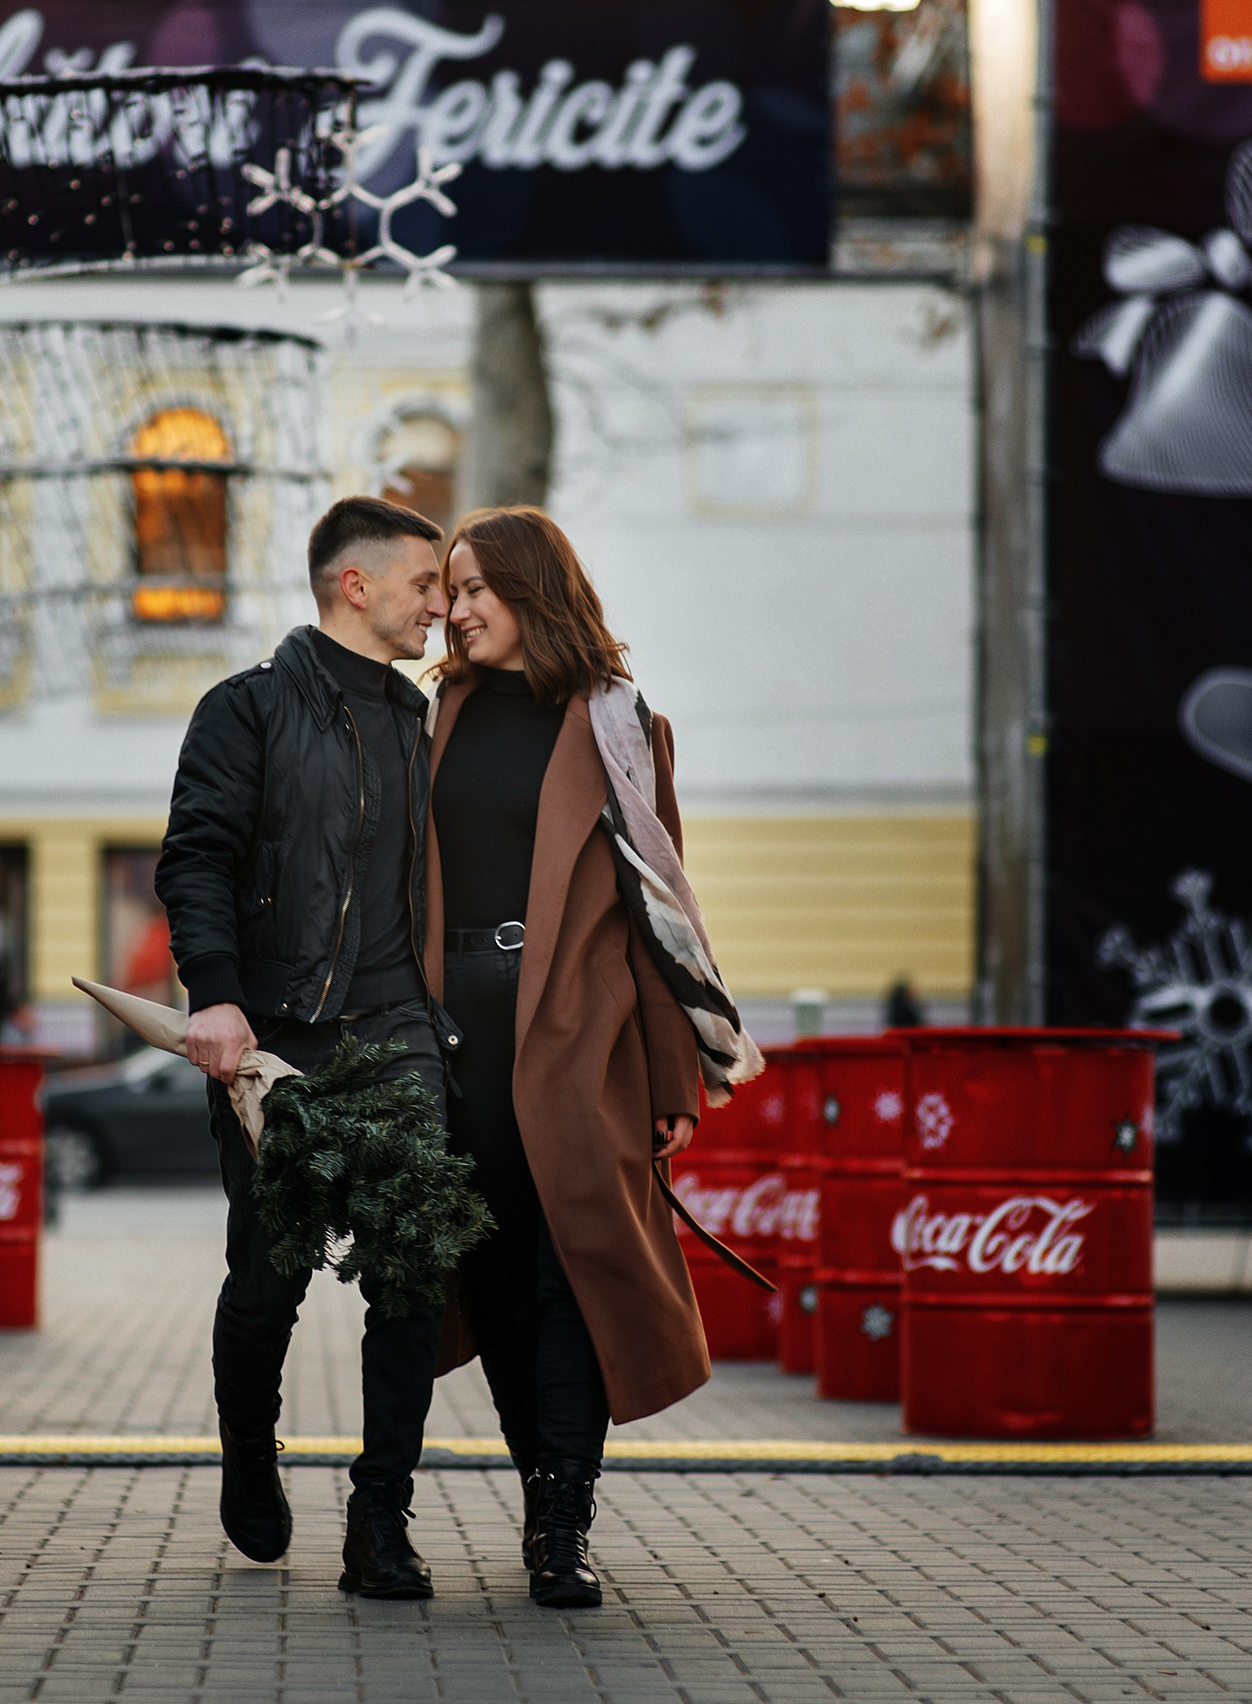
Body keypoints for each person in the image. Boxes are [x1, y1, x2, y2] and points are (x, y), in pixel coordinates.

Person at [426, 506, 761, 1608]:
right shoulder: (435, 714)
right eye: (451, 589)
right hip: (456, 1032)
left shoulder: (622, 725)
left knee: (572, 1271)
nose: (457, 610)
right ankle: (539, 1483)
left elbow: (657, 910)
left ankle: (560, 1519)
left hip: (580, 1029)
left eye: (475, 588)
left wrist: (672, 1080)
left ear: (534, 590)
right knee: (495, 1279)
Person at [155, 494, 453, 1598]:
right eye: (425, 583)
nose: (440, 605)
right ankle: (248, 1447)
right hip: (275, 1036)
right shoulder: (246, 710)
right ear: (355, 585)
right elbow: (194, 861)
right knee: (266, 1282)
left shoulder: (430, 722)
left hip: (398, 1035)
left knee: (413, 1277)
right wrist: (217, 998)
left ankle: (381, 1519)